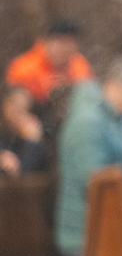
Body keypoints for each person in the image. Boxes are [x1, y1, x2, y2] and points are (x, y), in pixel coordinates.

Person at [55, 56, 122, 256]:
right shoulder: (87, 121)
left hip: (112, 230)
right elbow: (95, 181)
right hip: (86, 234)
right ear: (119, 84)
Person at [6, 18, 94, 161]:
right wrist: (24, 123)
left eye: (71, 43)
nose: (66, 49)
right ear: (48, 41)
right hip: (34, 124)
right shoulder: (26, 67)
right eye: (61, 42)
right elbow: (13, 105)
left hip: (65, 125)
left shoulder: (79, 66)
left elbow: (88, 99)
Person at [0, 85, 46, 178]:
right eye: (15, 107)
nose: (21, 115)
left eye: (25, 109)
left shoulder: (31, 134)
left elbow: (27, 172)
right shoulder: (4, 135)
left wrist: (32, 141)